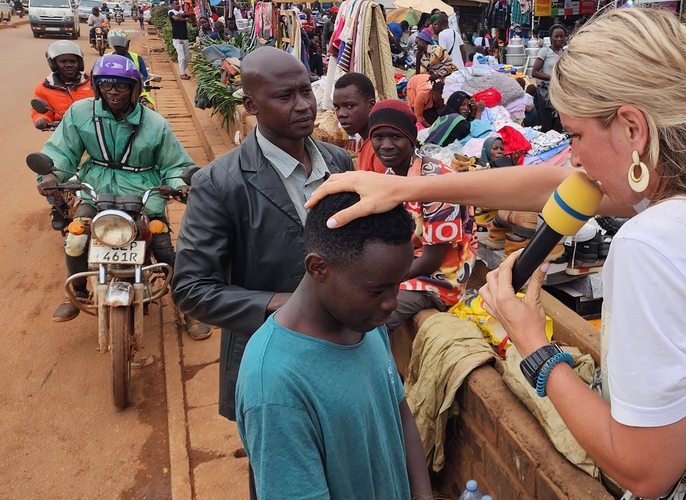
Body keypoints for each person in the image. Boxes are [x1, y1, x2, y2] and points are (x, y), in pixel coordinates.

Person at [309, 8, 686, 500]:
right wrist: (407, 190)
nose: (574, 156)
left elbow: (645, 469)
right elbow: (561, 183)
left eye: (576, 135)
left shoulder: (656, 242)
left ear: (633, 127)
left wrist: (532, 343)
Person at [171, 47, 354, 497]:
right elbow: (192, 290)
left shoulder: (339, 163)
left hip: (346, 348)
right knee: (282, 477)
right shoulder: (220, 182)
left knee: (346, 464)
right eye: (285, 96)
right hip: (271, 360)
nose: (305, 105)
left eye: (307, 91)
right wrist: (286, 305)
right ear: (251, 106)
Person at [235, 191, 433, 499]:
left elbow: (400, 415)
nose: (392, 303)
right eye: (378, 289)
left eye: (398, 283)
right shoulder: (274, 386)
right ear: (318, 268)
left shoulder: (365, 324)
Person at [34, 55, 210, 340]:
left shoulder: (156, 124)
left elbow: (174, 165)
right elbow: (61, 151)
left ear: (134, 88)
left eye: (121, 86)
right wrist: (51, 174)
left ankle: (186, 306)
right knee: (76, 238)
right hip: (96, 187)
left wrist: (181, 185)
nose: (113, 91)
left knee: (164, 246)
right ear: (96, 86)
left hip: (143, 190)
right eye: (106, 85)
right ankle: (77, 292)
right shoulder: (80, 114)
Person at [365, 100, 476, 332]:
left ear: (411, 139)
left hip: (438, 279)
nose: (385, 145)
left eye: (395, 137)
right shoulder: (391, 175)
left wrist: (382, 281)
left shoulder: (435, 183)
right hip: (409, 263)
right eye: (378, 137)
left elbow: (433, 259)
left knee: (370, 319)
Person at [32, 41, 94, 231]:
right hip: (63, 134)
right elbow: (39, 112)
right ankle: (56, 207)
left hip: (93, 132)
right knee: (48, 170)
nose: (69, 65)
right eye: (63, 61)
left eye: (73, 61)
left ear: (80, 63)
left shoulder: (92, 80)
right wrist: (41, 119)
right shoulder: (43, 88)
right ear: (53, 64)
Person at [332, 73, 379, 170]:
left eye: (350, 106)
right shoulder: (362, 141)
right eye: (337, 107)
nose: (341, 114)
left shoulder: (380, 150)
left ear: (371, 105)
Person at [532, 24, 565, 133]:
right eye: (556, 36)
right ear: (551, 37)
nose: (559, 39)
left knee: (559, 125)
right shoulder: (545, 51)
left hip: (560, 93)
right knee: (547, 125)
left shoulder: (565, 53)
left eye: (561, 36)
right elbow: (534, 72)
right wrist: (552, 78)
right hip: (546, 93)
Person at [169, 0, 196, 80]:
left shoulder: (181, 12)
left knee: (186, 57)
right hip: (178, 38)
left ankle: (183, 71)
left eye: (179, 4)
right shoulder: (171, 12)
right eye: (176, 4)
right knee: (182, 57)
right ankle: (182, 73)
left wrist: (184, 14)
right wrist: (186, 19)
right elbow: (176, 19)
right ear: (172, 5)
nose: (178, 5)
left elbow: (192, 15)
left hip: (185, 38)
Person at [436, 13, 468, 79]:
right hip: (461, 70)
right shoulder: (456, 33)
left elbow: (442, 55)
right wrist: (462, 65)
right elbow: (464, 51)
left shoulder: (442, 35)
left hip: (451, 70)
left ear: (439, 23)